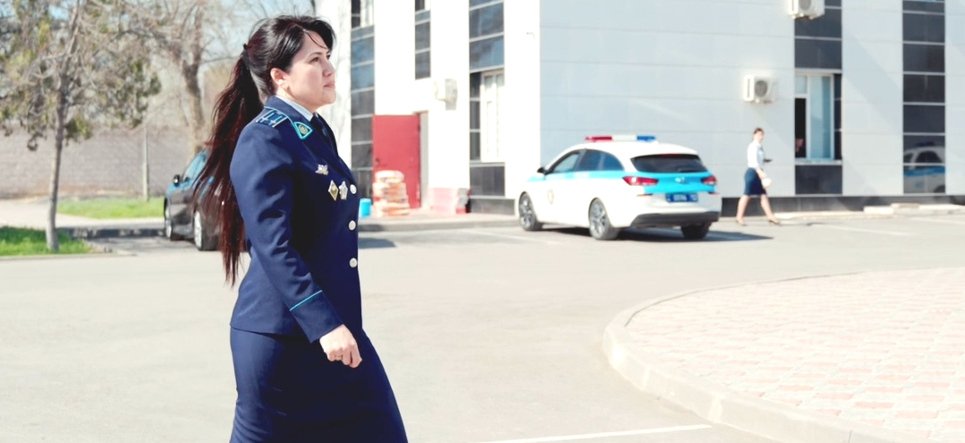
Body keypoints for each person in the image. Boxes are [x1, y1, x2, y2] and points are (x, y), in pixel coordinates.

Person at [195, 16, 407, 442]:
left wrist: (332, 324)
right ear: (280, 76)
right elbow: (273, 246)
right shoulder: (264, 138)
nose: (329, 68)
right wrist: (323, 324)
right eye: (314, 60)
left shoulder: (313, 131)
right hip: (283, 341)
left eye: (327, 57)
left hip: (335, 331)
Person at [735, 128, 780, 226]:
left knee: (763, 195)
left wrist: (764, 161)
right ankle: (739, 217)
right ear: (754, 135)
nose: (761, 137)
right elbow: (752, 161)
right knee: (747, 194)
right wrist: (759, 171)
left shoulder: (760, 147)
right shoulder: (753, 146)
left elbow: (759, 160)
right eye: (759, 134)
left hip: (758, 171)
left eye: (762, 134)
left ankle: (770, 216)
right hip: (753, 172)